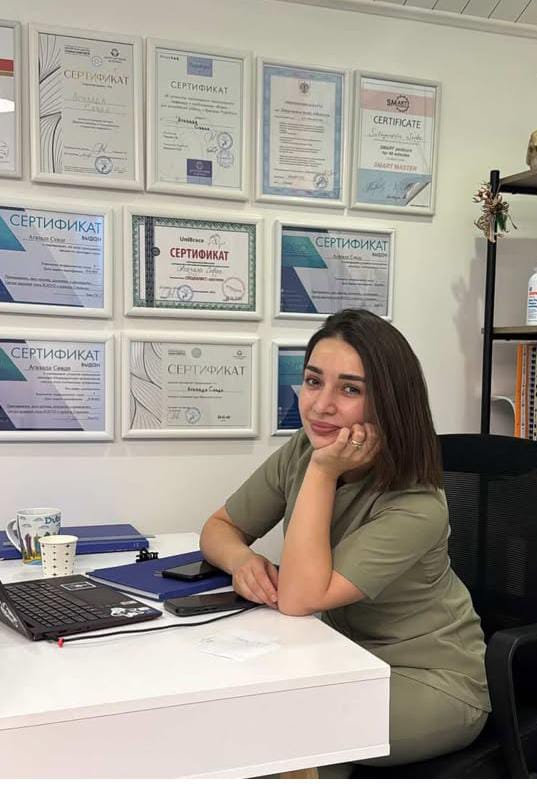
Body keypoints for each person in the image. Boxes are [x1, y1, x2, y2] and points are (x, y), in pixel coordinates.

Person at [199, 309, 490, 771]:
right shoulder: (303, 449)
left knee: (290, 734)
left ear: (387, 404)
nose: (320, 405)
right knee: (231, 710)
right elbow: (219, 528)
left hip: (429, 681)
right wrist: (240, 561)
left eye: (350, 389)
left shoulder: (416, 505)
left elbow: (299, 599)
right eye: (314, 381)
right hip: (337, 656)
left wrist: (322, 471)